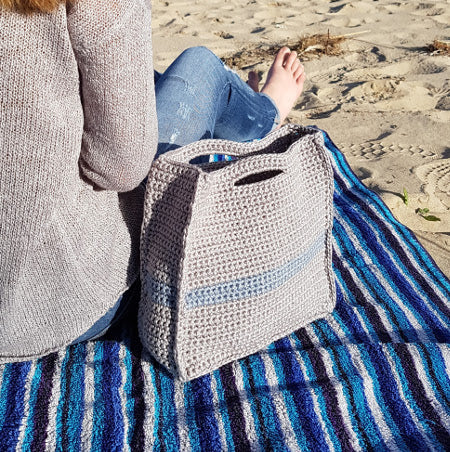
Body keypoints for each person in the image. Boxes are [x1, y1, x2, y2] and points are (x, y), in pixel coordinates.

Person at [0, 0, 305, 362]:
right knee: (200, 66)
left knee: (143, 80)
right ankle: (265, 112)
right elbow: (122, 167)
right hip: (61, 302)